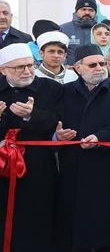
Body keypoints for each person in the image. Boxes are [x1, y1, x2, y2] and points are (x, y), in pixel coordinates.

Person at [55, 44, 110, 251]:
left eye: (102, 63)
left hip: (109, 163)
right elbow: (56, 121)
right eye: (93, 65)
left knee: (108, 211)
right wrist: (58, 134)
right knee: (76, 211)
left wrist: (100, 137)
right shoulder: (64, 92)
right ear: (77, 68)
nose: (100, 68)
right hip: (75, 163)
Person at [0, 43, 62, 252]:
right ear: (3, 70)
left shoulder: (51, 88)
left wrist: (30, 115)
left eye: (30, 65)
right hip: (1, 164)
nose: (27, 71)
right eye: (19, 67)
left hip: (37, 163)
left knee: (38, 212)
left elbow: (57, 121)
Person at [60, 0, 98, 64]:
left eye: (91, 10)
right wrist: (65, 67)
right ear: (76, 11)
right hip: (71, 72)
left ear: (95, 13)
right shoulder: (63, 29)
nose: (87, 12)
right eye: (83, 9)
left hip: (96, 71)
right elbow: (58, 52)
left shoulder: (104, 31)